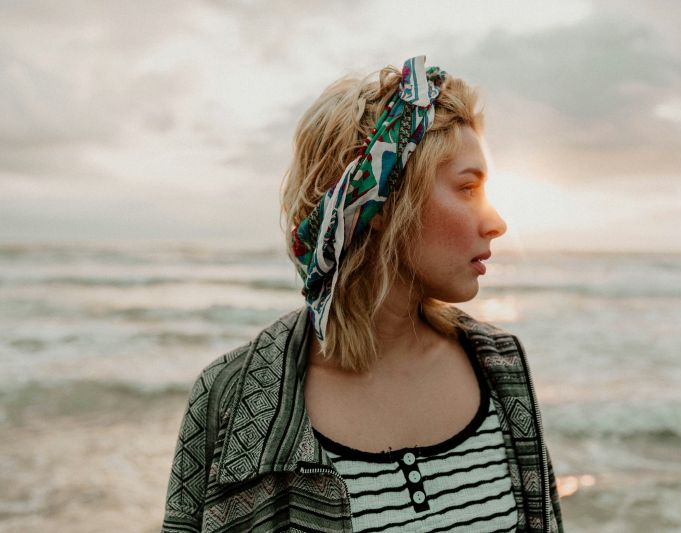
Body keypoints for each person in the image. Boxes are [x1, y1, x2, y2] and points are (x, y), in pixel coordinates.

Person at [161, 56, 563, 533]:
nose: (496, 222)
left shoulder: (501, 369)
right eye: (468, 187)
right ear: (377, 203)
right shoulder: (230, 397)